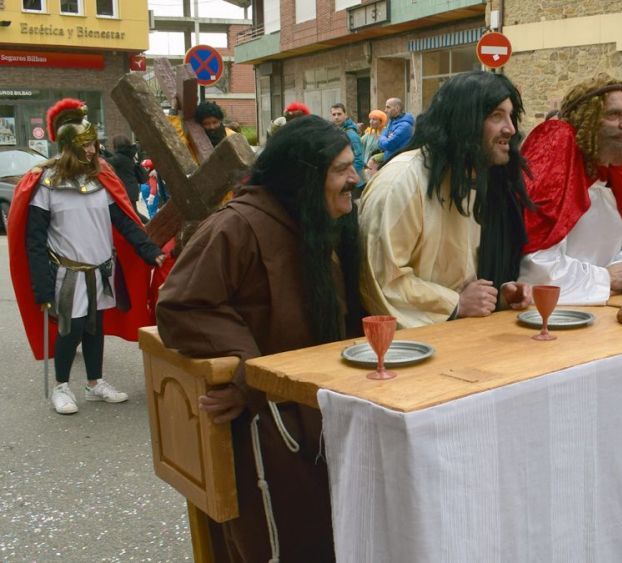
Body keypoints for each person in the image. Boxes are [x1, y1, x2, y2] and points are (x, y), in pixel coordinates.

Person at [156, 115, 362, 561]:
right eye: (342, 169)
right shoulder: (236, 227)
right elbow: (181, 305)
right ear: (303, 176)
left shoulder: (318, 217)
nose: (355, 178)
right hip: (270, 426)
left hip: (320, 413)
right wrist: (248, 369)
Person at [7, 98, 165, 414]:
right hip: (68, 275)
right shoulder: (46, 185)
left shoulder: (100, 180)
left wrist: (151, 253)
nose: (92, 151)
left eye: (93, 144)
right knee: (71, 329)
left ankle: (95, 383)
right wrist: (42, 288)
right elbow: (34, 241)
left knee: (95, 329)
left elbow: (123, 220)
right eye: (85, 145)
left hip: (100, 270)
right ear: (68, 146)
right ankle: (61, 387)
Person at [359, 71, 533, 328]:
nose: (511, 128)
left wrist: (499, 295)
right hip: (407, 352)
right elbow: (383, 282)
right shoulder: (401, 181)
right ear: (464, 121)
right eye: (497, 116)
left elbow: (462, 273)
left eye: (510, 116)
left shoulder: (469, 177)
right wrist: (455, 303)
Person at [518, 74, 622, 305]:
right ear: (587, 119)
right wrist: (604, 278)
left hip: (615, 306)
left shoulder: (619, 175)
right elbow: (536, 266)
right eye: (613, 114)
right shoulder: (557, 179)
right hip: (559, 314)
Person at [106, 134, 148, 217]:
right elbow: (113, 157)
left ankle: (149, 226)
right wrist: (104, 151)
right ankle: (148, 226)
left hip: (128, 191)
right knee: (133, 213)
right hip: (132, 190)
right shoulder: (128, 155)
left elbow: (106, 161)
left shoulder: (120, 158)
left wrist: (100, 153)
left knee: (134, 214)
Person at [330, 102, 365, 192]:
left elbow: (359, 160)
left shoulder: (351, 134)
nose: (336, 117)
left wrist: (345, 175)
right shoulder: (337, 131)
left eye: (339, 114)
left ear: (345, 115)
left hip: (355, 182)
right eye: (334, 114)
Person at [377, 97, 414, 163]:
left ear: (397, 108)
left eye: (388, 107)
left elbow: (388, 145)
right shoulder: (391, 121)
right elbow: (380, 144)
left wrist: (382, 138)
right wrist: (384, 138)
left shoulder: (404, 126)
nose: (385, 110)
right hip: (390, 161)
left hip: (399, 163)